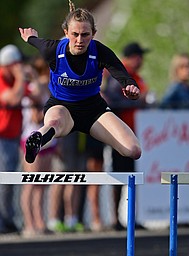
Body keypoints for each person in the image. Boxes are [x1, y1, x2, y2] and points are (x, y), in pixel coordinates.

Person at [18, 0, 141, 173]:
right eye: (75, 34)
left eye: (85, 35)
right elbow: (37, 42)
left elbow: (122, 75)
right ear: (66, 32)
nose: (79, 40)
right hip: (62, 107)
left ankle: (41, 137)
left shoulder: (100, 52)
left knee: (133, 150)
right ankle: (37, 140)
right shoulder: (53, 50)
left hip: (93, 111)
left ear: (94, 33)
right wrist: (30, 37)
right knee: (55, 121)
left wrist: (131, 88)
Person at [103, 41, 150, 230]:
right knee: (119, 176)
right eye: (140, 56)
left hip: (131, 133)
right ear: (134, 57)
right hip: (119, 133)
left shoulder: (133, 75)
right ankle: (115, 218)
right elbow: (114, 102)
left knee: (131, 176)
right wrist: (139, 102)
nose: (142, 60)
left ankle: (130, 217)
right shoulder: (120, 75)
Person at [20, 55, 57, 237]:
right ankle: (29, 223)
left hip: (48, 141)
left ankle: (40, 221)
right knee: (31, 183)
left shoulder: (50, 89)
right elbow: (36, 117)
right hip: (31, 139)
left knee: (42, 185)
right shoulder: (34, 88)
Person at [0, 44, 27, 234]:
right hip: (2, 137)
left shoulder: (15, 80)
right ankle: (3, 221)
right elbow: (14, 99)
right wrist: (21, 77)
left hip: (12, 137)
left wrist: (34, 77)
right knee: (3, 181)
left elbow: (36, 96)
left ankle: (8, 219)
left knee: (9, 182)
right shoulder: (2, 79)